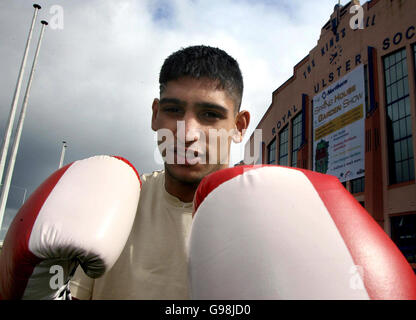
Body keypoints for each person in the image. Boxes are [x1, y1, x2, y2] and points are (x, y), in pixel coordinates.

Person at [69, 45, 250, 299]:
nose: (187, 134)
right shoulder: (117, 202)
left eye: (210, 114)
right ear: (155, 115)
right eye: (173, 110)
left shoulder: (262, 218)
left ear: (239, 127)